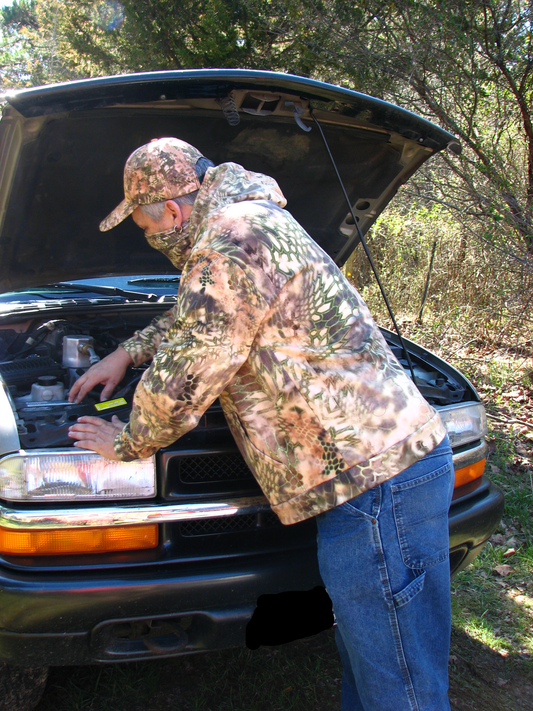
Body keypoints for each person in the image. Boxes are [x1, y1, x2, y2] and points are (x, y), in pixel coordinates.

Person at [68, 137, 454, 711]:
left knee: (398, 682)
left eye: (147, 225)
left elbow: (184, 381)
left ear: (172, 211)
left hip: (374, 487)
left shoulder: (224, 243)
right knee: (379, 661)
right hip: (387, 469)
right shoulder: (252, 221)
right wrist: (128, 351)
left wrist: (125, 440)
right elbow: (199, 312)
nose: (151, 238)